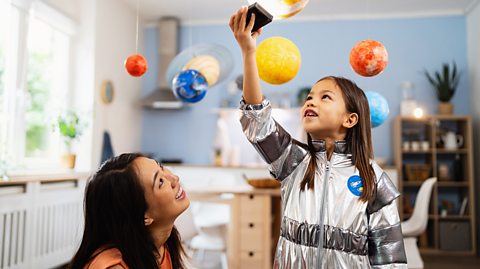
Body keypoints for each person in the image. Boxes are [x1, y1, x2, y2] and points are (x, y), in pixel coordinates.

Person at [229, 6, 407, 269]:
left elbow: (390, 258)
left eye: (325, 97)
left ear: (350, 119)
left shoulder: (374, 179)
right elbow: (258, 118)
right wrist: (248, 51)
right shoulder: (293, 162)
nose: (311, 101)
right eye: (310, 97)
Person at [69, 153, 189, 269]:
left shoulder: (162, 246)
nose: (175, 178)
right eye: (160, 181)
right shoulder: (113, 266)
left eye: (161, 167)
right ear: (144, 217)